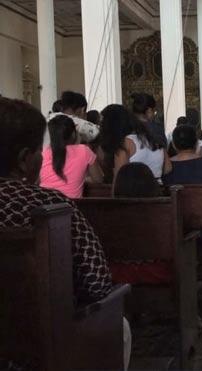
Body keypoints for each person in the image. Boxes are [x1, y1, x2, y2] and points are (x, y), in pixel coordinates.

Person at [0, 97, 131, 370]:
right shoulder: (50, 206)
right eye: (40, 150)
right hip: (34, 338)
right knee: (121, 326)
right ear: (25, 159)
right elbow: (97, 282)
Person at [39, 115, 103, 198]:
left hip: (45, 206)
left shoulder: (43, 153)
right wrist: (82, 178)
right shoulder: (84, 151)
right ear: (73, 133)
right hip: (71, 208)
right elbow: (98, 179)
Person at [115, 104, 172, 182]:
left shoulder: (126, 142)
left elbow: (119, 176)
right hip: (156, 187)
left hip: (133, 188)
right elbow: (168, 168)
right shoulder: (157, 141)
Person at [97, 104, 134, 183]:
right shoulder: (135, 139)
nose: (100, 126)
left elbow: (118, 180)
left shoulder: (125, 144)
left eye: (102, 122)